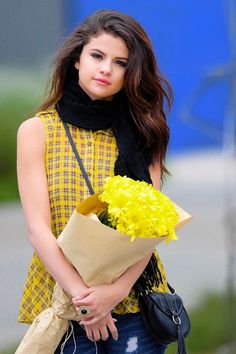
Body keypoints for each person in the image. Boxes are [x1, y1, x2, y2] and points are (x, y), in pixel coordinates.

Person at [17, 9, 173, 354]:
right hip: (62, 300)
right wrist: (87, 301)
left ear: (131, 73)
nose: (106, 68)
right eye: (97, 56)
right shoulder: (37, 131)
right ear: (77, 59)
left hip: (135, 300)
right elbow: (38, 229)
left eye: (120, 63)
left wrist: (114, 292)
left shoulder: (146, 132)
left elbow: (152, 227)